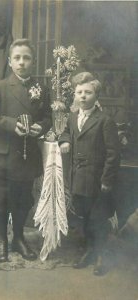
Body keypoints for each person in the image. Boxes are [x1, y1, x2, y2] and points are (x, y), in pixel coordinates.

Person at [0, 39, 51, 263]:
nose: (22, 62)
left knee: (22, 199)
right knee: (0, 199)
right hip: (4, 154)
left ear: (33, 61)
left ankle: (18, 238)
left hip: (26, 153)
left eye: (26, 58)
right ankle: (2, 239)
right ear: (10, 62)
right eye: (17, 58)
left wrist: (42, 126)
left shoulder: (40, 89)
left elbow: (48, 117)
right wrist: (12, 125)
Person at [59, 72, 120, 275]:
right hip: (77, 177)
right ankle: (89, 251)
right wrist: (65, 141)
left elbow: (113, 153)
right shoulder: (73, 116)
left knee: (98, 218)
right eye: (79, 92)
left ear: (96, 95)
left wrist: (107, 180)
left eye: (88, 92)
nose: (83, 96)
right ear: (74, 95)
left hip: (96, 179)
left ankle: (101, 254)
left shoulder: (104, 120)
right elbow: (67, 131)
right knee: (83, 217)